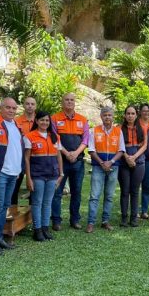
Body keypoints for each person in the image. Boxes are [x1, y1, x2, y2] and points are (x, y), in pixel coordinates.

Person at [0, 97, 23, 251]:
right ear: (0, 108)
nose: (11, 110)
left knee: (5, 206)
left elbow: (17, 149)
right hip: (0, 171)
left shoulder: (16, 124)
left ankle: (0, 237)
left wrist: (18, 169)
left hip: (13, 173)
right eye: (8, 107)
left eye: (14, 108)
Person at [51, 93, 90, 231]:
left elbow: (86, 140)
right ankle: (56, 220)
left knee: (76, 192)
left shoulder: (82, 119)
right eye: (66, 100)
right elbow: (54, 139)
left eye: (72, 100)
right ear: (62, 102)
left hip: (77, 162)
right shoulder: (54, 118)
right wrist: (67, 153)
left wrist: (76, 153)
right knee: (57, 192)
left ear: (75, 102)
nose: (69, 102)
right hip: (60, 161)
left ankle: (75, 220)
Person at [24, 111, 63, 241]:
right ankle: (37, 230)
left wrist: (61, 174)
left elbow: (59, 156)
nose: (44, 122)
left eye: (47, 120)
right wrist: (28, 178)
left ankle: (45, 228)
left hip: (52, 175)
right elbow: (26, 159)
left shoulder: (55, 136)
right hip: (37, 175)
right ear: (36, 121)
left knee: (47, 202)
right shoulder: (29, 136)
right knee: (37, 202)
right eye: (42, 120)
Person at [86, 107, 125, 233]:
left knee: (109, 196)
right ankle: (91, 222)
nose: (107, 117)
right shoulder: (94, 130)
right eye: (105, 115)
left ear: (113, 117)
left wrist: (111, 162)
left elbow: (121, 150)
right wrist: (102, 163)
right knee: (94, 196)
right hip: (98, 166)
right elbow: (91, 150)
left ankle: (105, 221)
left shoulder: (118, 131)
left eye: (109, 115)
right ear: (101, 117)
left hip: (113, 167)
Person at [119, 105, 147, 227]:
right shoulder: (119, 129)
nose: (130, 116)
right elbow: (119, 146)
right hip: (123, 161)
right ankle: (124, 218)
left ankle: (134, 218)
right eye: (128, 113)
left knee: (135, 191)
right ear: (125, 115)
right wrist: (127, 157)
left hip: (139, 161)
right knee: (125, 191)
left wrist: (134, 157)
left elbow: (145, 145)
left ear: (136, 115)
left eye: (132, 113)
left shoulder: (142, 128)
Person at [11, 96, 37, 206]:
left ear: (36, 106)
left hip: (35, 158)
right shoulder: (16, 121)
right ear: (23, 105)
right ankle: (12, 210)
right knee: (14, 187)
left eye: (32, 104)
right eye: (27, 103)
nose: (30, 106)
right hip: (20, 158)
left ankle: (32, 212)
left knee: (35, 188)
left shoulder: (40, 121)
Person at [138, 103, 149, 221]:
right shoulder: (136, 124)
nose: (146, 113)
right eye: (144, 111)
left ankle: (144, 211)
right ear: (140, 112)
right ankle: (135, 211)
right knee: (135, 186)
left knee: (147, 186)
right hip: (138, 159)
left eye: (148, 111)